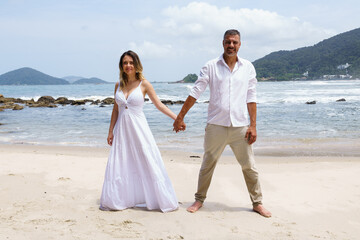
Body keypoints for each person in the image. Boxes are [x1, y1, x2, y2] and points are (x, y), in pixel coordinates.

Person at [173, 29, 271, 217]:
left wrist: (253, 125)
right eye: (228, 42)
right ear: (223, 43)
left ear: (240, 45)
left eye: (235, 42)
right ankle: (199, 199)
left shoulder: (248, 67)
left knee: (249, 166)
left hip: (240, 126)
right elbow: (196, 92)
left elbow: (251, 96)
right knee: (208, 164)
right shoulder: (211, 66)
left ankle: (257, 203)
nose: (231, 45)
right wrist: (180, 116)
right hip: (216, 125)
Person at [100, 50, 179, 212]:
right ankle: (122, 198)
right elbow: (115, 110)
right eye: (125, 63)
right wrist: (110, 132)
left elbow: (159, 105)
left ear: (136, 65)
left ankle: (156, 197)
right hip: (122, 130)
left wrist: (177, 118)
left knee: (147, 160)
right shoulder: (118, 85)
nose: (128, 65)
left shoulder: (144, 84)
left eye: (131, 62)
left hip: (139, 129)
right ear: (121, 66)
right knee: (122, 162)